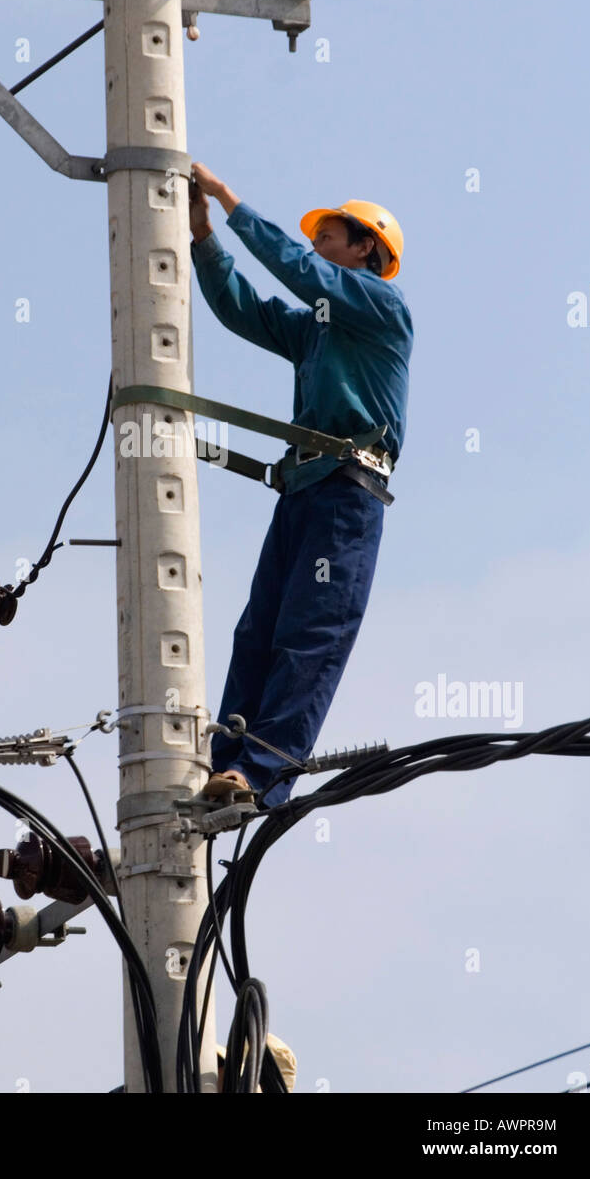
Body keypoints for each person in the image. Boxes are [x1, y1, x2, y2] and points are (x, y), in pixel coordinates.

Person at [188, 161, 413, 807]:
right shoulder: (319, 325)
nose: (317, 245)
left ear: (365, 248)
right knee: (259, 631)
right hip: (302, 491)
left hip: (348, 493)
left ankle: (262, 769)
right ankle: (227, 763)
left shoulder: (380, 306)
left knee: (309, 634)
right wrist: (205, 238)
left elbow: (298, 270)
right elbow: (245, 310)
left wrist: (229, 201)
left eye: (330, 236)